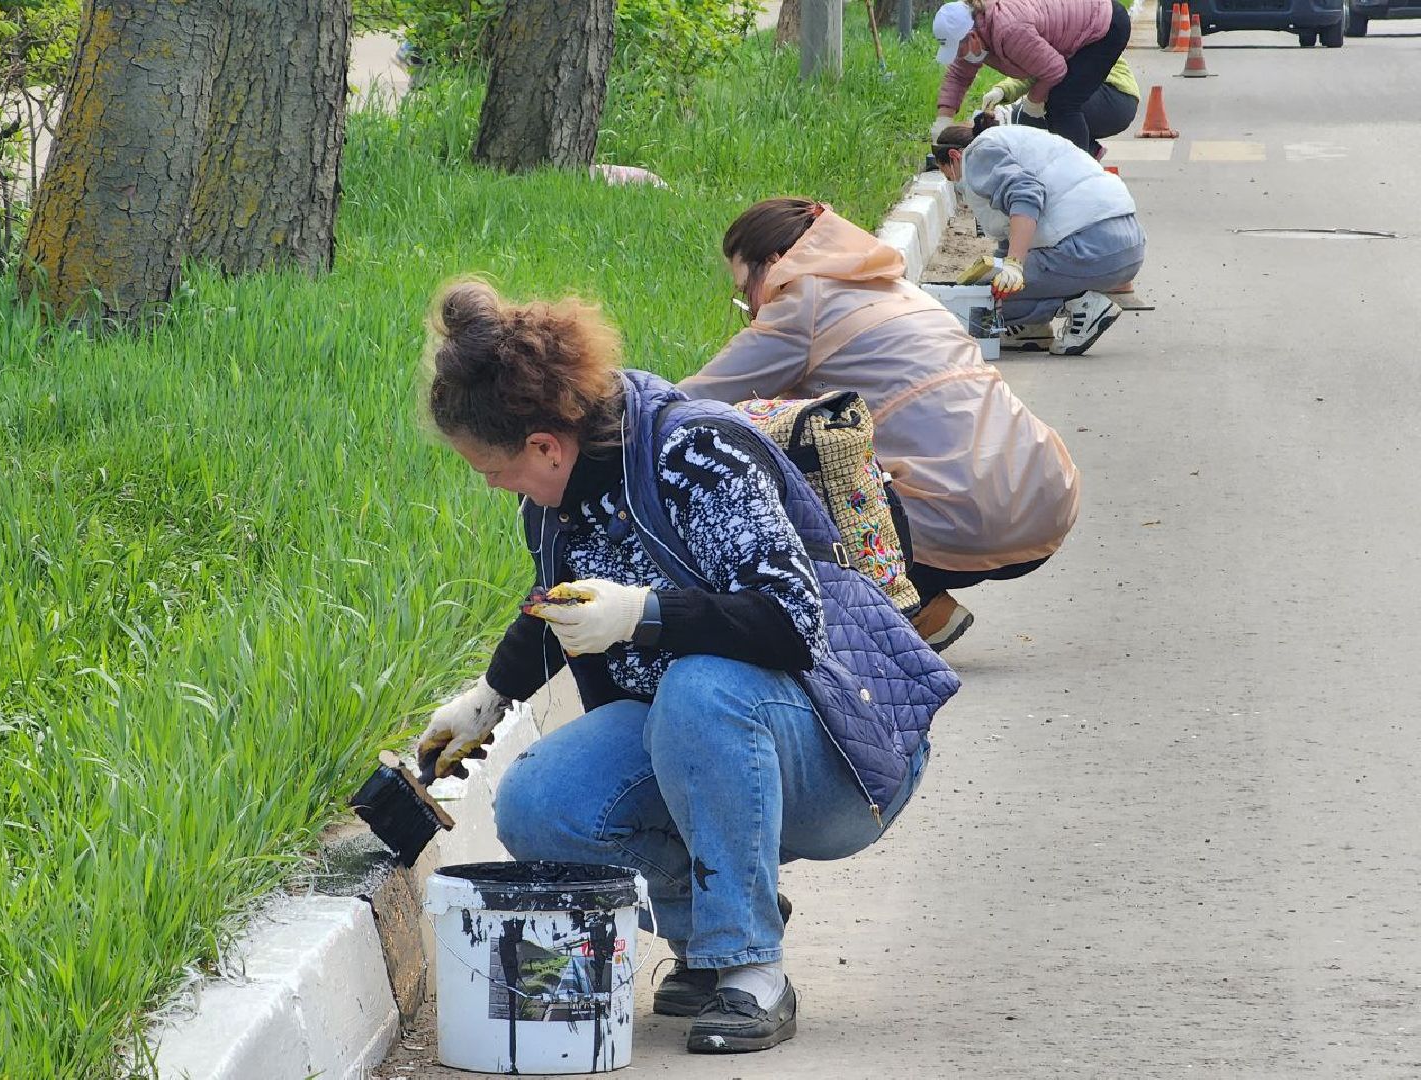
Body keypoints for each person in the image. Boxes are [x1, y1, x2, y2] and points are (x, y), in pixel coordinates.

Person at [415, 279, 959, 1055]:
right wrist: (489, 697)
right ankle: (714, 936)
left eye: (489, 468)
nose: (491, 483)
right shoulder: (553, 502)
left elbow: (789, 622)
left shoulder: (694, 454)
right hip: (701, 733)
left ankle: (753, 969)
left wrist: (644, 613)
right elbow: (566, 607)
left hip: (835, 751)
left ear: (545, 445)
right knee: (539, 801)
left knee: (700, 688)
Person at [677, 199, 1081, 653]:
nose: (751, 306)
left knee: (780, 462)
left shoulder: (801, 303)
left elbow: (693, 401)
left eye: (744, 289)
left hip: (968, 518)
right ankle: (924, 606)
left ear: (773, 265)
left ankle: (901, 606)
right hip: (1045, 498)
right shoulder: (896, 288)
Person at [932, 112, 1145, 354]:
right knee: (997, 285)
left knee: (982, 300)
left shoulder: (978, 154)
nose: (956, 185)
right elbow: (1013, 233)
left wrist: (1013, 265)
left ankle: (1081, 305)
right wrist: (1005, 265)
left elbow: (1025, 194)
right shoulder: (1013, 142)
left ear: (954, 157)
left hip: (1089, 246)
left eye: (950, 176)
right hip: (1126, 245)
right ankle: (1030, 328)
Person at [930, 0, 1132, 158]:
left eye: (957, 48)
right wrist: (942, 121)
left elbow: (1054, 69)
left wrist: (1033, 101)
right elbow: (958, 76)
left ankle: (1080, 173)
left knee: (1062, 103)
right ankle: (1087, 152)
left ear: (972, 36)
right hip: (1081, 27)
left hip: (1105, 26)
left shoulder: (1009, 30)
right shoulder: (977, 31)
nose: (957, 55)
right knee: (1054, 103)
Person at [981, 57, 1141, 156]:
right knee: (1036, 110)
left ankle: (1079, 167)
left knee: (1049, 105)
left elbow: (1045, 67)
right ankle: (1090, 150)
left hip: (1111, 94)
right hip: (1117, 100)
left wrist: (1003, 90)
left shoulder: (1060, 24)